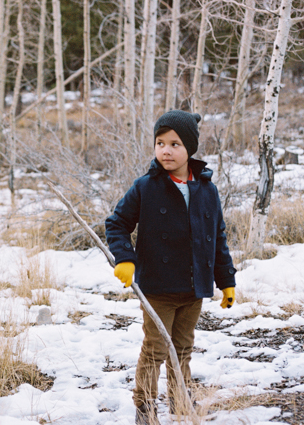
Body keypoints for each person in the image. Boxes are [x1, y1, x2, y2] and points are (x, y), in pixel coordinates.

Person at [105, 110, 237, 424]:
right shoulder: (146, 187)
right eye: (160, 143)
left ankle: (180, 402)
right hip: (158, 287)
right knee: (155, 349)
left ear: (189, 148)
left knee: (182, 348)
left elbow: (216, 237)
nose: (166, 150)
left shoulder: (207, 190)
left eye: (175, 144)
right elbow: (117, 224)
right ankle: (145, 409)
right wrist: (125, 258)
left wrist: (226, 280)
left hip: (194, 287)